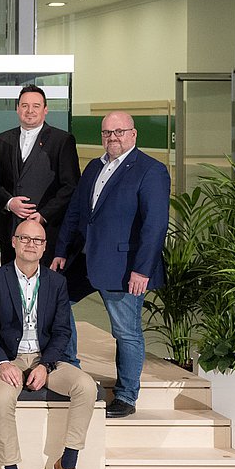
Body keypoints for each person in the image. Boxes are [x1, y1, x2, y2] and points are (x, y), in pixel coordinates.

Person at [51, 111, 169, 419]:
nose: (112, 138)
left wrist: (143, 269)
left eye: (119, 132)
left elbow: (155, 226)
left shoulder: (150, 170)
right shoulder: (94, 166)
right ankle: (73, 373)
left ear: (133, 134)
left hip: (125, 266)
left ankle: (127, 396)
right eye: (106, 133)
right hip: (86, 260)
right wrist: (61, 250)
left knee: (125, 332)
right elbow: (76, 212)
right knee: (57, 302)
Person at [0, 220, 97, 469]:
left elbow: (61, 332)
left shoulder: (57, 282)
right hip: (9, 359)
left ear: (44, 247)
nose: (31, 244)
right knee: (4, 397)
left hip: (46, 360)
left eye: (38, 240)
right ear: (13, 242)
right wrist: (2, 363)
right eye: (25, 238)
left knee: (86, 386)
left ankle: (67, 464)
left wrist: (45, 364)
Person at [0, 84, 80, 263]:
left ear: (45, 110)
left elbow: (70, 186)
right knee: (10, 285)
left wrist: (43, 215)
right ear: (17, 109)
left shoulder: (62, 140)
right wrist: (9, 203)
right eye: (24, 105)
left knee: (43, 286)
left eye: (36, 106)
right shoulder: (3, 139)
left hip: (45, 232)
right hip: (10, 230)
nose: (30, 110)